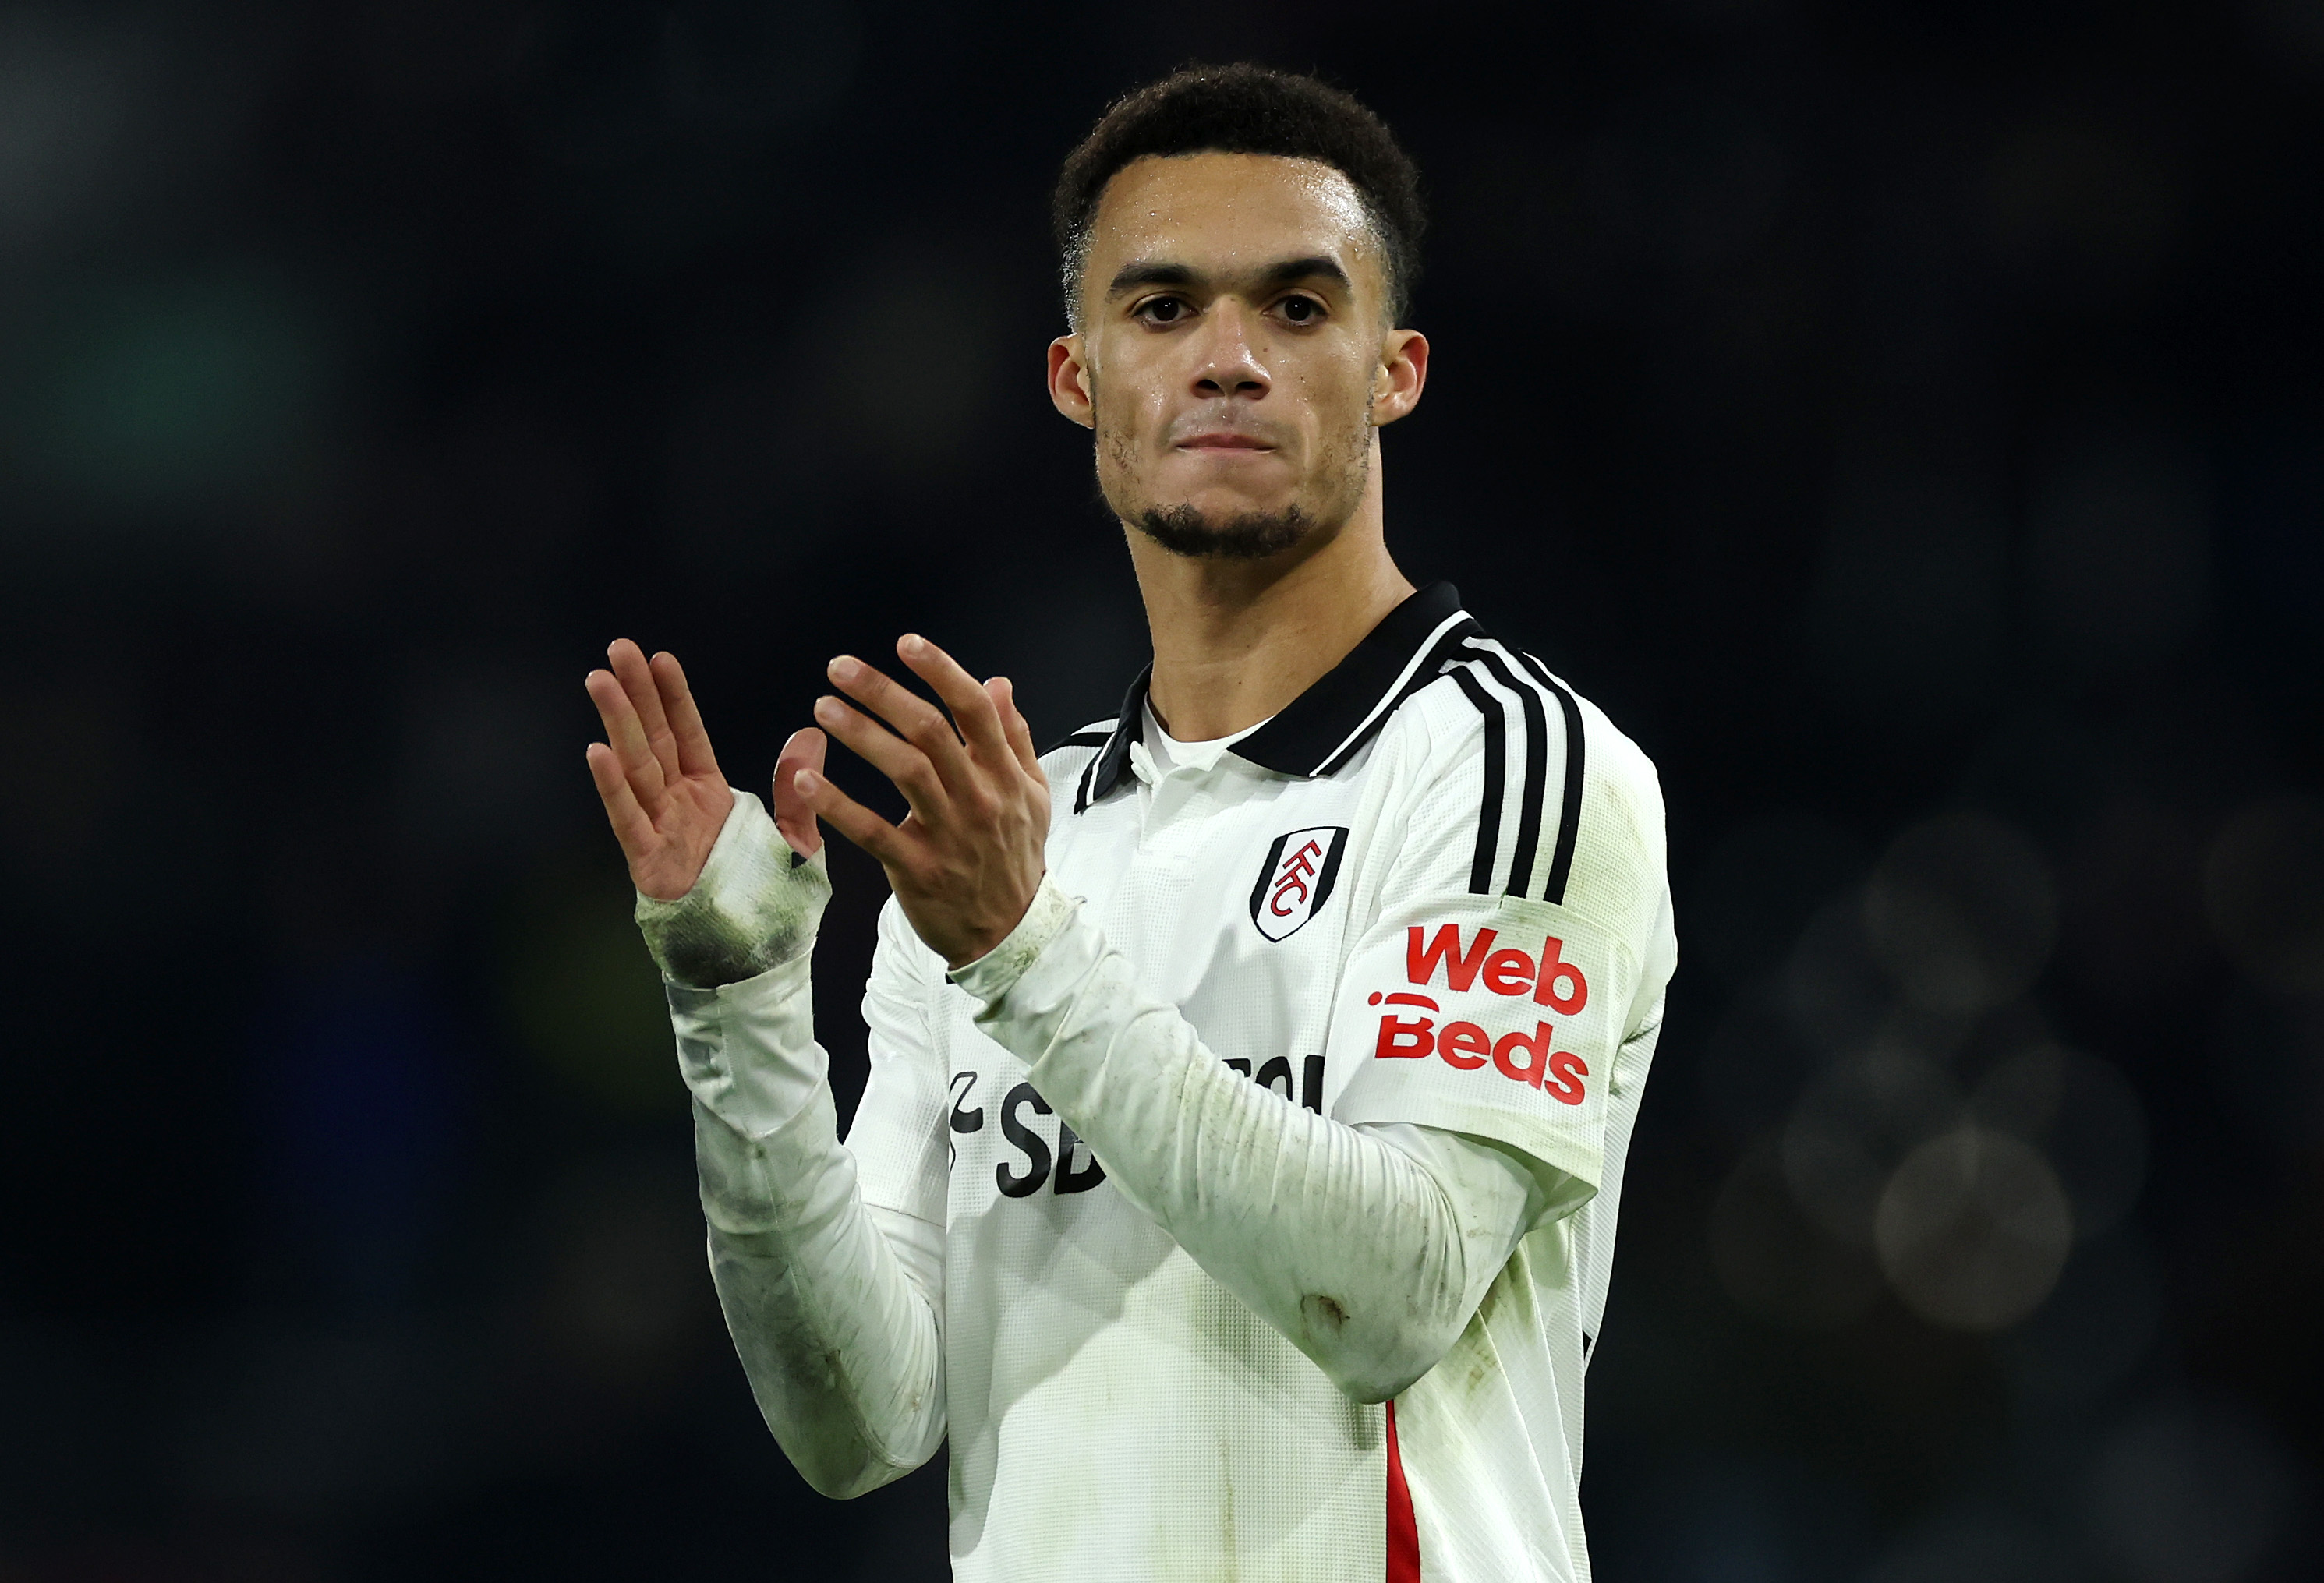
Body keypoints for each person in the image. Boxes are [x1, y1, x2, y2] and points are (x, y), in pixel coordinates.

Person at [583, 63, 1675, 1583]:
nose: (1227, 358)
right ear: (1076, 375)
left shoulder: (1506, 768)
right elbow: (864, 1420)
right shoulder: (1000, 854)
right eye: (1163, 309)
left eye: (1297, 307)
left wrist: (1028, 953)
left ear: (1395, 369)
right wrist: (742, 1004)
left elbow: (1401, 1289)